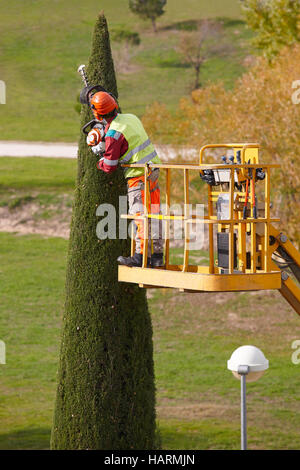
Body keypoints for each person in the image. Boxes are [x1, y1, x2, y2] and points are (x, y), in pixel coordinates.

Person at [86, 91, 164, 268]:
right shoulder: (131, 118)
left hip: (138, 177)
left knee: (140, 216)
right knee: (154, 213)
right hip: (153, 170)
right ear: (114, 105)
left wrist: (100, 156)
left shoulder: (114, 134)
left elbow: (110, 166)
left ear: (97, 114)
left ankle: (140, 256)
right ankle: (157, 256)